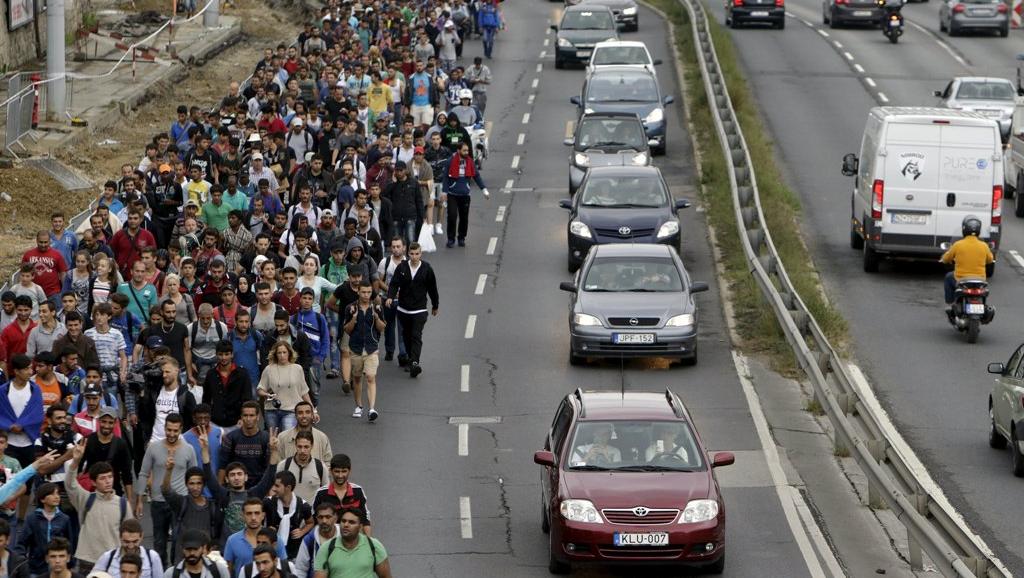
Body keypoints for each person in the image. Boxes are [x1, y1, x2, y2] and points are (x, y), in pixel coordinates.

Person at [135, 413, 198, 563]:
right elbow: (143, 473)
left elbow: (194, 477)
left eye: (175, 431)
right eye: (169, 430)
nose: (171, 434)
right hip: (158, 502)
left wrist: (193, 501)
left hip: (180, 503)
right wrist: (138, 501)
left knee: (178, 543)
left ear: (181, 430)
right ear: (164, 428)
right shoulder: (153, 448)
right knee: (159, 544)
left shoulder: (189, 450)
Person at [66, 440, 133, 575]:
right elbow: (70, 484)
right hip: (88, 560)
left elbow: (131, 534)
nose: (108, 481)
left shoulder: (123, 503)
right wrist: (75, 461)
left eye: (110, 477)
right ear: (93, 482)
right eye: (103, 478)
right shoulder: (85, 499)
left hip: (114, 560)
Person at [385, 244, 439, 379]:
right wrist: (390, 297)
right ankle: (411, 358)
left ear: (421, 254)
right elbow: (394, 284)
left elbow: (432, 288)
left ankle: (415, 363)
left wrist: (435, 305)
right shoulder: (402, 267)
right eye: (412, 254)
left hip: (419, 309)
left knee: (416, 335)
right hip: (403, 309)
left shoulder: (427, 269)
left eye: (417, 254)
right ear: (408, 254)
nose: (414, 257)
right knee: (406, 336)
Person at [342, 282, 385, 422]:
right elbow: (347, 330)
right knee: (357, 378)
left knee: (371, 377)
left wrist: (376, 318)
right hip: (355, 348)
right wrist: (353, 319)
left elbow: (381, 328)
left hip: (372, 348)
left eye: (369, 292)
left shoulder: (377, 307)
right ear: (358, 292)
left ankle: (372, 409)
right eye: (363, 292)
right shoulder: (350, 308)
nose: (366, 295)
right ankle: (359, 406)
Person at [312, 508, 390, 578]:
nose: (346, 525)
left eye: (351, 522)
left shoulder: (373, 545)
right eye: (343, 521)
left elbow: (385, 576)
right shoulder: (327, 548)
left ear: (360, 527)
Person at [939, 216, 995, 313]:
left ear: (964, 229)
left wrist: (943, 259)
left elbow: (946, 258)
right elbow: (990, 260)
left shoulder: (958, 244)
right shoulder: (984, 245)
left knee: (948, 277)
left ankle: (950, 303)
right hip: (980, 279)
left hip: (961, 279)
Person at [17, 483, 73, 577]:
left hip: (59, 567)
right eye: (52, 494)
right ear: (42, 499)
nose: (57, 497)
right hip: (36, 567)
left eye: (58, 494)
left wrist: (70, 563)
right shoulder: (32, 518)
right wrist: (23, 562)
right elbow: (22, 542)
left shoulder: (64, 519)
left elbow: (70, 543)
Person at [79, 404, 133, 498]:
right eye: (103, 422)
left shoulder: (121, 444)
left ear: (115, 423)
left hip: (114, 493)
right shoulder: (88, 440)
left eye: (110, 422)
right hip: (91, 493)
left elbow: (126, 474)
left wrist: (129, 501)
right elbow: (79, 468)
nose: (106, 426)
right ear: (98, 421)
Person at [0, 354, 45, 468]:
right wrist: (9, 426)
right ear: (16, 371)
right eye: (26, 369)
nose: (30, 372)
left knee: (29, 478)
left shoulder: (35, 389)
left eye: (31, 368)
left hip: (29, 443)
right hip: (8, 444)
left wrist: (22, 425)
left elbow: (38, 414)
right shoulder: (3, 391)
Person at [258, 341, 315, 431]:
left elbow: (304, 392)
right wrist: (266, 394)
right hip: (271, 410)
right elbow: (260, 389)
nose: (282, 355)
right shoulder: (269, 369)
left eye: (284, 352)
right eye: (279, 353)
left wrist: (313, 410)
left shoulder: (297, 368)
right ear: (275, 354)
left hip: (291, 410)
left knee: (288, 437)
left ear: (289, 353)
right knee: (274, 439)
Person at [222, 499, 287, 576]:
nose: (253, 517)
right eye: (249, 513)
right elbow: (227, 571)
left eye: (257, 513)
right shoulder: (232, 540)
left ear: (263, 515)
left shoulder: (276, 539)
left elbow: (284, 567)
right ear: (242, 516)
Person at [443, 142, 490, 248]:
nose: (466, 152)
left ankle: (461, 238)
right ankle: (451, 239)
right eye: (464, 150)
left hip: (465, 194)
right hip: (452, 194)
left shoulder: (470, 162)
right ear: (458, 150)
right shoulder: (450, 161)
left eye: (467, 150)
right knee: (452, 216)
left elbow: (476, 176)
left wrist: (484, 190)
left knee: (464, 218)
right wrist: (444, 192)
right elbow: (445, 177)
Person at [218, 401, 272, 488]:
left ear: (258, 417)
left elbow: (270, 467)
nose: (248, 419)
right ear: (241, 417)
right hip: (236, 484)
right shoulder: (231, 437)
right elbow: (223, 465)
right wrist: (220, 488)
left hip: (259, 485)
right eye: (245, 415)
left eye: (251, 415)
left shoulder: (266, 438)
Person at [263, 470, 312, 559]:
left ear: (288, 488)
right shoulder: (267, 502)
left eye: (277, 486)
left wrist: (302, 531)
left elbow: (311, 522)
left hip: (294, 554)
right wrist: (267, 530)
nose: (274, 488)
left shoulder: (303, 505)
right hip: (271, 553)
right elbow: (258, 522)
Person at [93, 519, 165, 578]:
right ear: (120, 537)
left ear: (141, 536)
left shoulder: (152, 557)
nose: (131, 546)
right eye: (126, 542)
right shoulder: (107, 557)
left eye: (135, 541)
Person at [276, 431, 324, 505]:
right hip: (288, 514)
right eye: (299, 446)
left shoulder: (321, 467)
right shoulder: (283, 465)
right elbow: (275, 490)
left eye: (306, 447)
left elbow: (325, 494)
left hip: (312, 514)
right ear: (295, 445)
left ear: (312, 446)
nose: (302, 451)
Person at [162, 529, 231, 578]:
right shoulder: (171, 574)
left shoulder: (219, 570)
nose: (192, 553)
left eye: (195, 549)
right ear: (182, 549)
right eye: (188, 549)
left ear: (204, 548)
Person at [293, 503, 336, 578]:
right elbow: (300, 570)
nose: (324, 521)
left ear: (335, 518)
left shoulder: (344, 538)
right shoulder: (309, 540)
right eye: (321, 517)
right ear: (316, 518)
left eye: (328, 517)